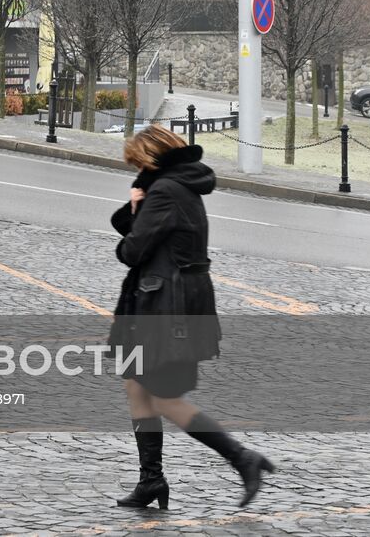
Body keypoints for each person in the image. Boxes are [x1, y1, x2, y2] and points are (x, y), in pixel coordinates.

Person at [108, 125, 275, 510]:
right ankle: (151, 481)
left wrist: (136, 208)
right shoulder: (179, 185)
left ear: (151, 158)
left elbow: (132, 251)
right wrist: (135, 208)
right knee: (137, 386)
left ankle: (242, 458)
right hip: (168, 301)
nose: (135, 168)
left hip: (167, 308)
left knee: (165, 398)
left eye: (137, 161)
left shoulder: (165, 191)